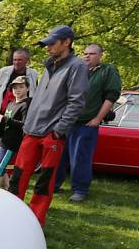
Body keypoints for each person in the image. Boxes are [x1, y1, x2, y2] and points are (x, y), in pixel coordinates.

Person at [8, 25, 89, 227]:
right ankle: (10, 218)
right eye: (47, 44)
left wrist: (59, 130)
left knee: (45, 181)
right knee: (18, 176)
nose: (48, 48)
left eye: (52, 43)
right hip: (31, 130)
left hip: (52, 135)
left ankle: (35, 223)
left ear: (67, 42)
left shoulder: (77, 66)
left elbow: (76, 102)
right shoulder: (48, 65)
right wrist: (28, 123)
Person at [54, 43, 122, 202]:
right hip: (66, 122)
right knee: (57, 156)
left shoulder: (107, 71)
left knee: (80, 158)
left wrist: (97, 119)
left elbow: (111, 96)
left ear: (100, 55)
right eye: (85, 53)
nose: (87, 56)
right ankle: (53, 185)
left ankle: (80, 189)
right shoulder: (76, 70)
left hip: (86, 124)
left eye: (91, 54)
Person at [0, 49, 39, 181]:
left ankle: (6, 176)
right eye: (14, 59)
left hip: (17, 116)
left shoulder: (33, 75)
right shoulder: (3, 72)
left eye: (20, 60)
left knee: (9, 146)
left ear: (27, 61)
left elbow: (36, 95)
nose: (16, 62)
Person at [0, 76, 31, 190]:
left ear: (27, 88)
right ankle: (10, 190)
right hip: (1, 140)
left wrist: (6, 120)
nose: (17, 90)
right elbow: (5, 121)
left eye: (21, 87)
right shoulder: (11, 103)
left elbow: (25, 124)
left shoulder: (27, 104)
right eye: (15, 87)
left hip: (11, 143)